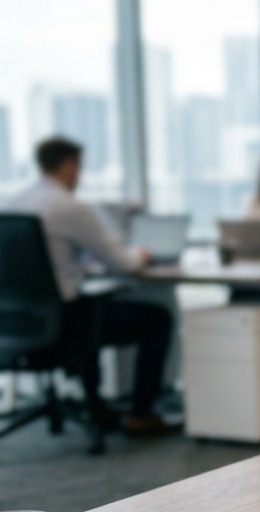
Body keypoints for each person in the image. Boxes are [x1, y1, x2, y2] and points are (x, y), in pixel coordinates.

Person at [2, 137, 176, 436]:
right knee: (157, 319)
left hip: (19, 322)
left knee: (92, 306)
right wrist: (142, 254)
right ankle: (141, 414)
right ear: (69, 166)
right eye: (79, 167)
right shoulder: (69, 206)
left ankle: (96, 405)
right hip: (66, 323)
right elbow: (125, 264)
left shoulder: (13, 203)